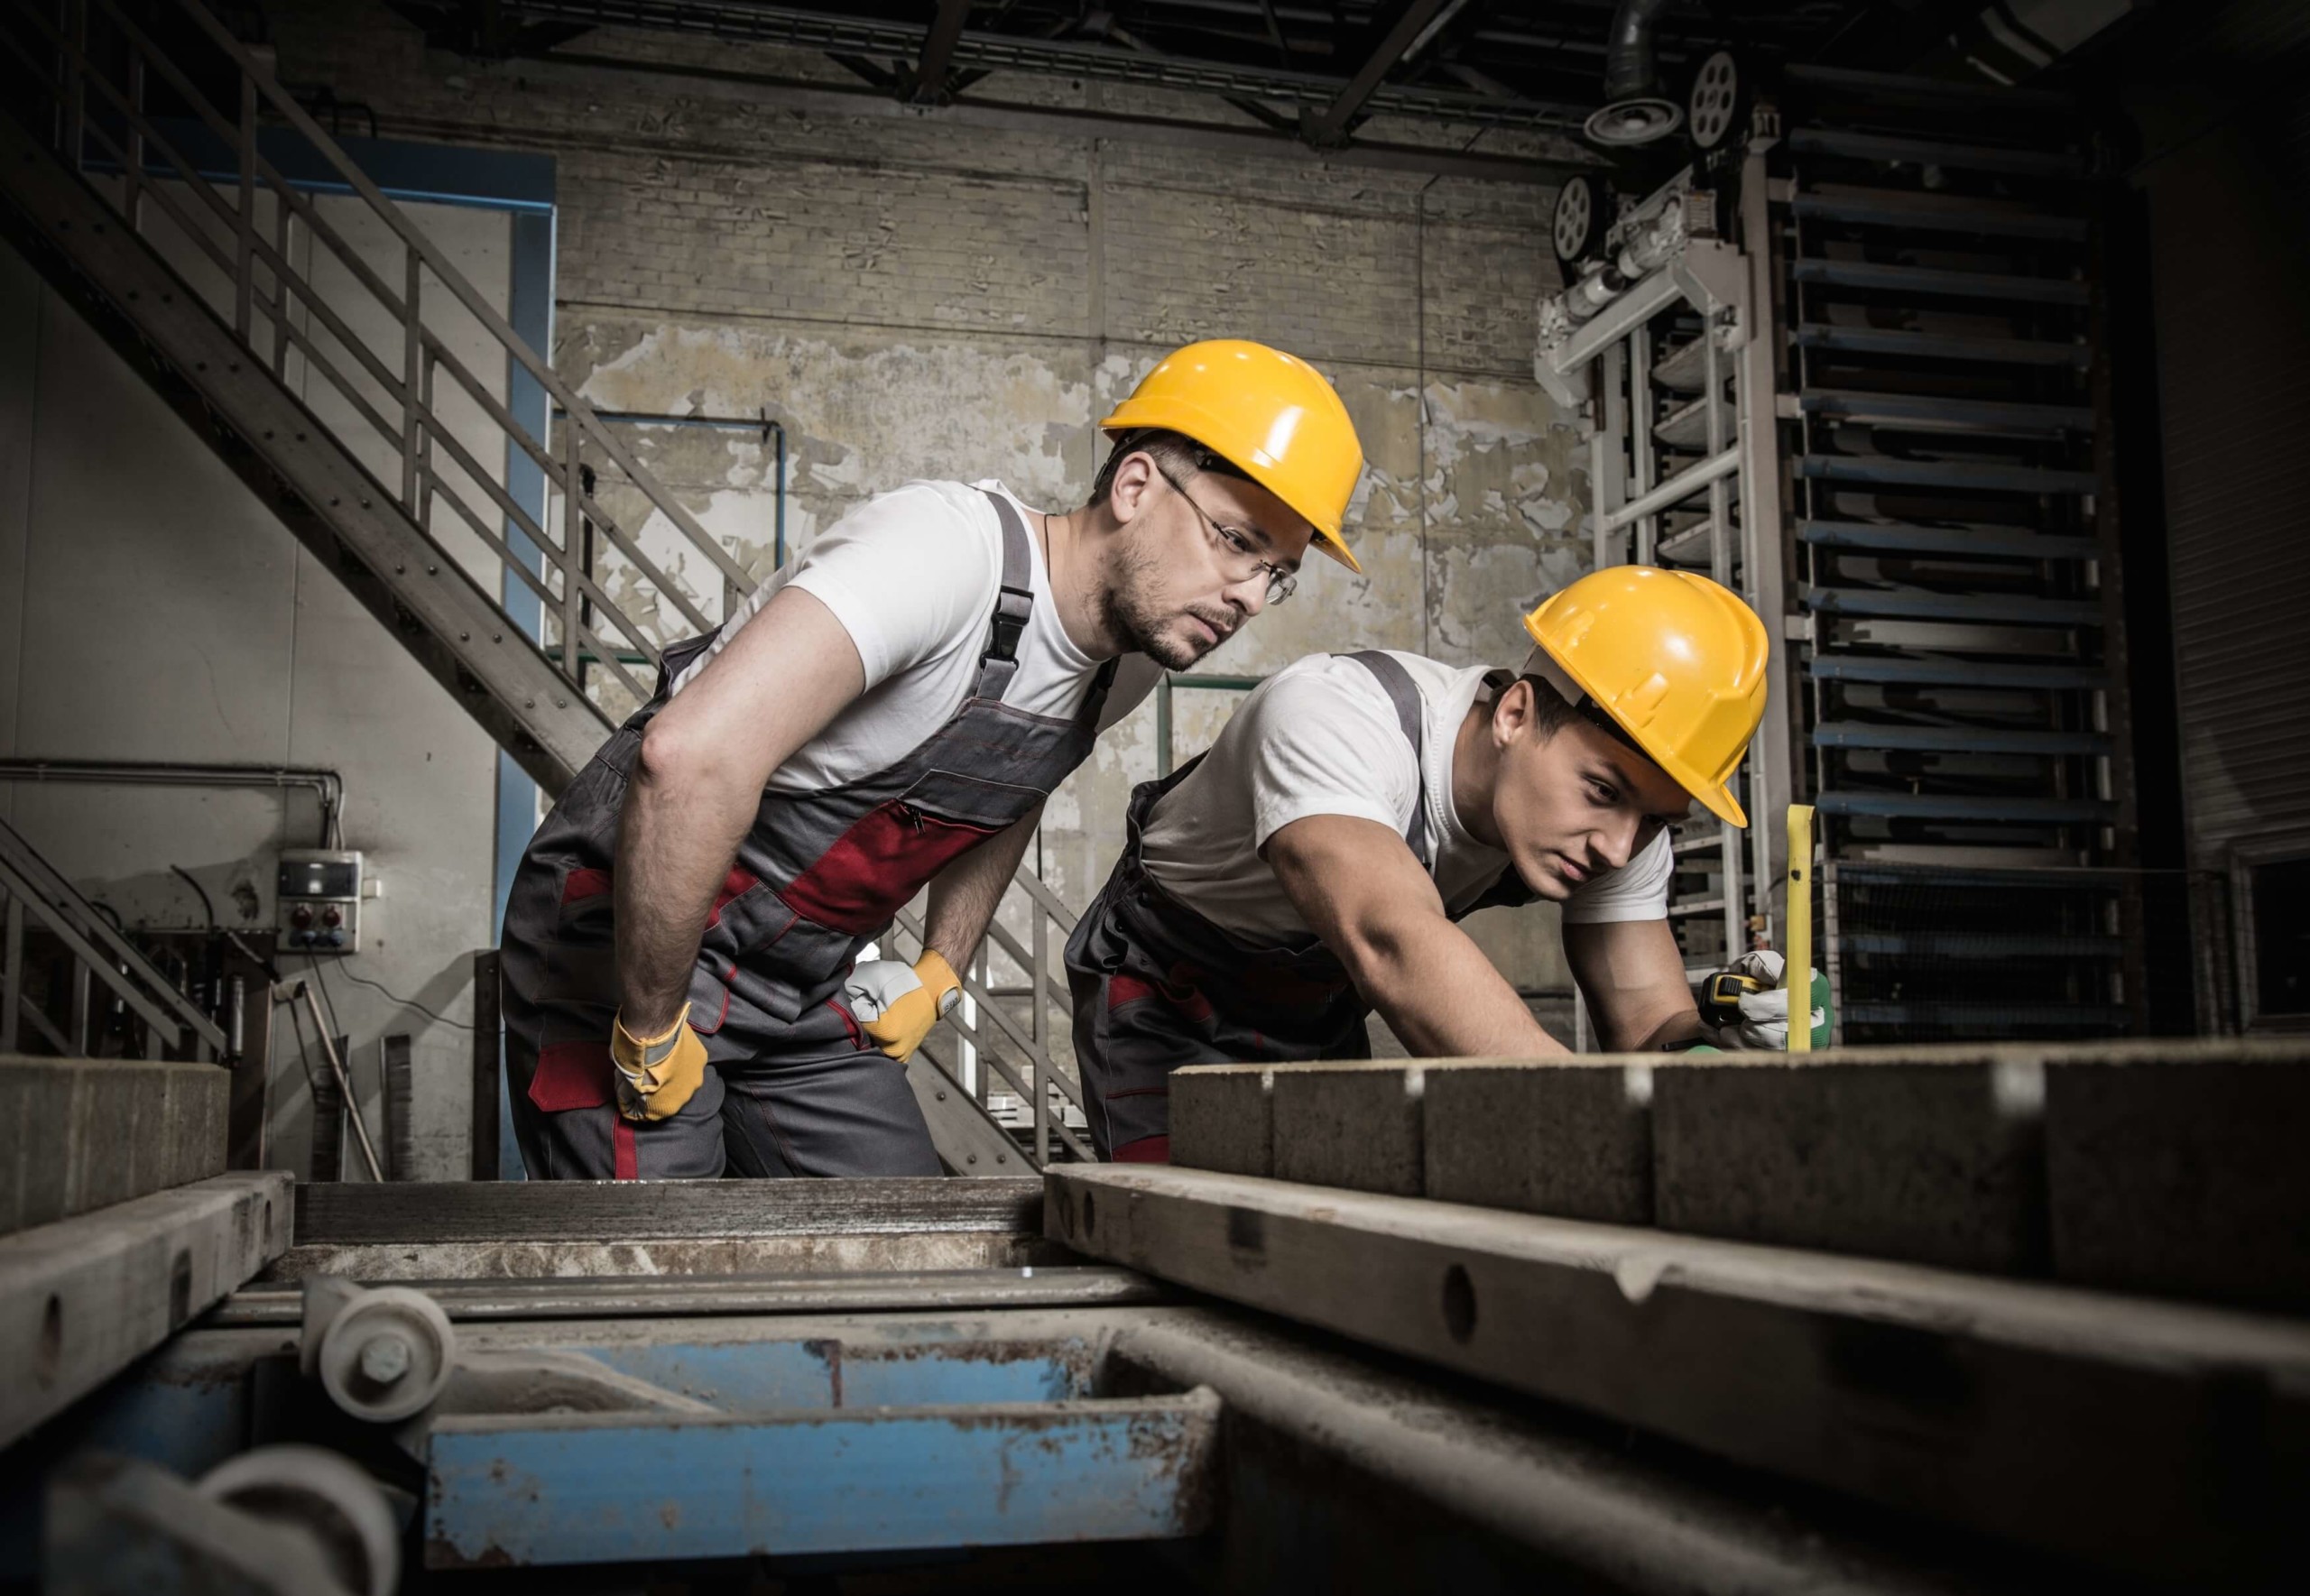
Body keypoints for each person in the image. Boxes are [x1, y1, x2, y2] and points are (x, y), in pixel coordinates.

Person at [500, 339, 1365, 1178]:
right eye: (1237, 541)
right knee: (664, 1267)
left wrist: (940, 970)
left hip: (797, 983)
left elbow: (1015, 790)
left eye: (1276, 575)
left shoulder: (1124, 666)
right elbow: (686, 760)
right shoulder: (945, 553)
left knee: (895, 1227)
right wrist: (649, 1030)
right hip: (631, 950)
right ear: (1136, 485)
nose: (1250, 595)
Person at [1065, 564, 1819, 1162]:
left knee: (1320, 1238)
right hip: (1164, 986)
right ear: (1518, 713)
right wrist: (1598, 1123)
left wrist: (1715, 1053)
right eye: (1602, 791)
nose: (1619, 847)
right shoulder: (1338, 715)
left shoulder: (1615, 828)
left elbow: (1649, 1021)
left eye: (1655, 820)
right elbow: (1393, 939)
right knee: (1183, 1233)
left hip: (1317, 1001)